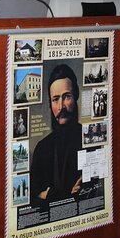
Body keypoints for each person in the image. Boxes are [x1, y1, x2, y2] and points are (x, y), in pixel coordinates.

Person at [30, 63, 83, 204]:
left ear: (76, 96)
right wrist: (58, 195)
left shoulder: (88, 139)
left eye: (67, 97)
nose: (61, 107)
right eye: (55, 99)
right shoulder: (42, 148)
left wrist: (47, 194)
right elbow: (32, 195)